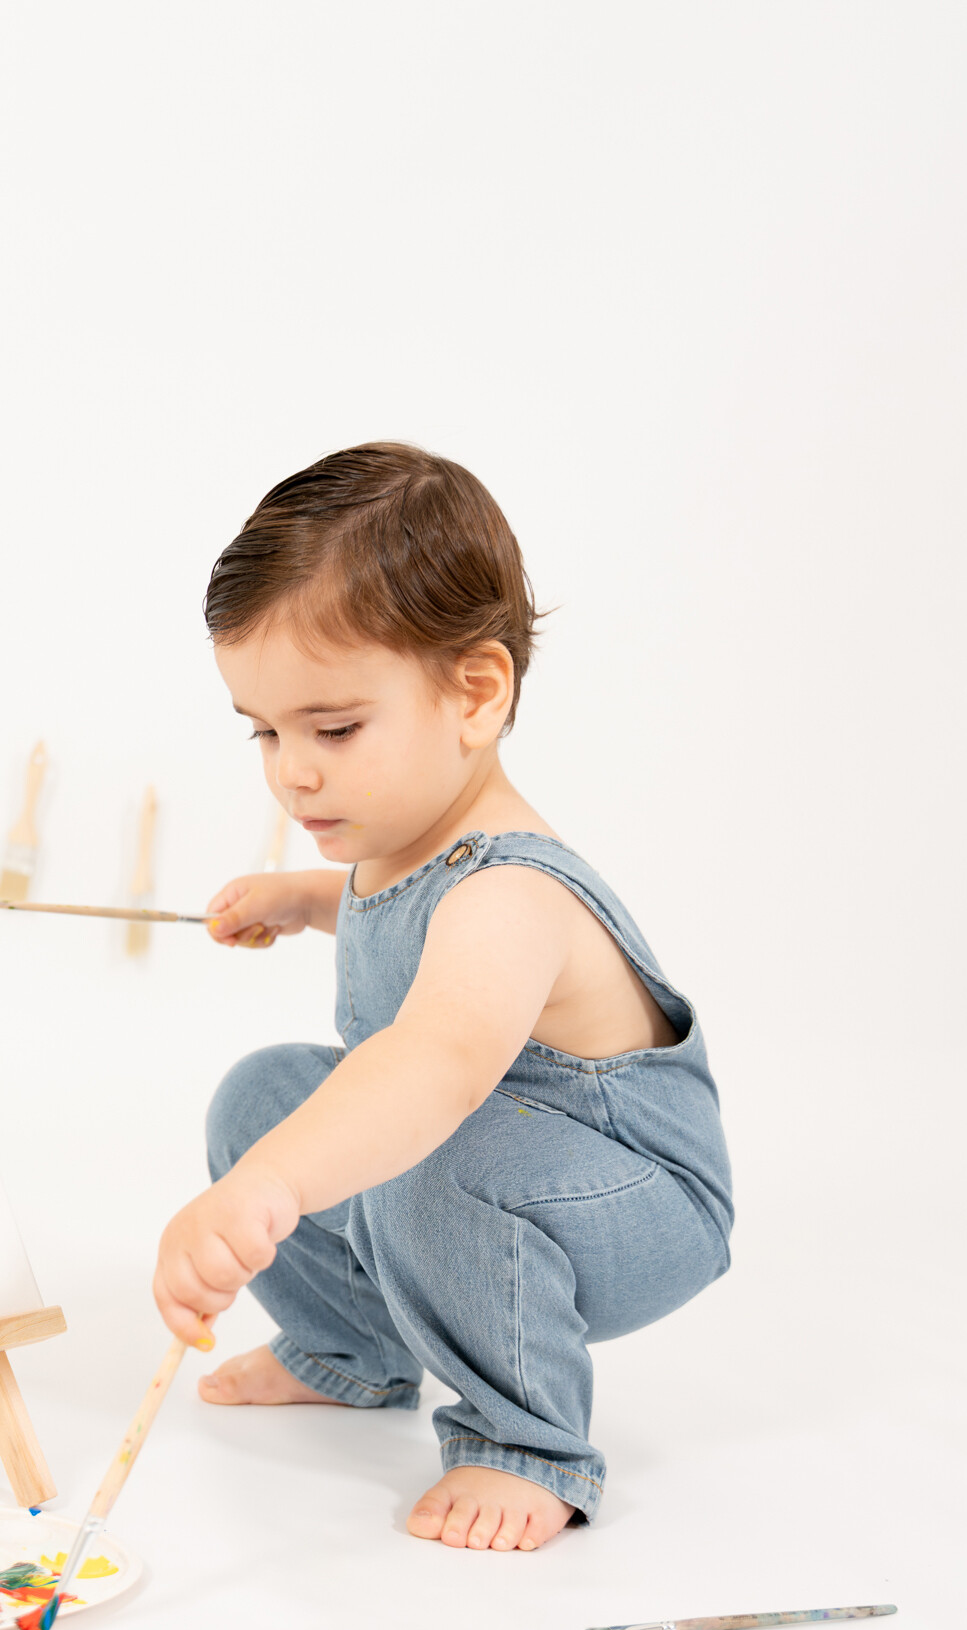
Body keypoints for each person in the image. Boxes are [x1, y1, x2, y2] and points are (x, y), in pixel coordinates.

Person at [153, 444, 731, 1551]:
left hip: (633, 1202)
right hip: (495, 1163)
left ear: (474, 693)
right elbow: (399, 917)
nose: (290, 771)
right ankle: (353, 1348)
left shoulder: (509, 889)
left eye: (332, 728)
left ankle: (529, 1442)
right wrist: (302, 900)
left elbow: (435, 1064)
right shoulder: (406, 837)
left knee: (419, 1156)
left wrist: (271, 1187)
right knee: (262, 1095)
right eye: (264, 730)